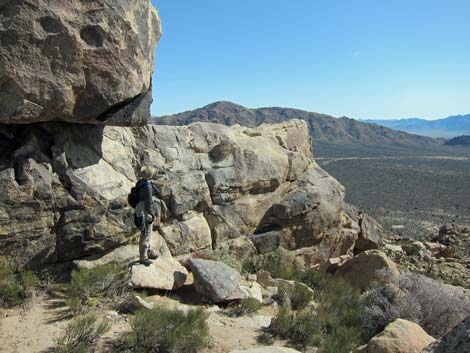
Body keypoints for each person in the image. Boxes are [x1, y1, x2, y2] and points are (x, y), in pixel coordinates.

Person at [132, 167, 166, 265]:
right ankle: (143, 258)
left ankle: (147, 251)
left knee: (145, 233)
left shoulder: (141, 182)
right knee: (146, 235)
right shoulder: (147, 187)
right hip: (145, 212)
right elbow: (149, 203)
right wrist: (152, 214)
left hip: (139, 209)